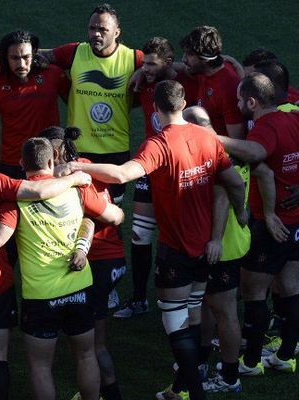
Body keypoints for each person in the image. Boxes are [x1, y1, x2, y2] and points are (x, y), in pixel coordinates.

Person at [66, 80, 246, 400]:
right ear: (183, 102)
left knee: (175, 325)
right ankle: (183, 389)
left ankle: (195, 392)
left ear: (156, 109)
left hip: (176, 250)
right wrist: (240, 216)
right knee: (191, 317)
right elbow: (233, 181)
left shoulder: (159, 143)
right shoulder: (206, 137)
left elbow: (121, 175)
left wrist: (79, 167)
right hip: (206, 249)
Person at [0, 137, 122, 400]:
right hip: (79, 287)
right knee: (86, 355)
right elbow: (104, 217)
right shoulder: (77, 188)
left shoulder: (17, 199)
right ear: (52, 162)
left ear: (20, 165)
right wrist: (83, 247)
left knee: (41, 366)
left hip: (41, 295)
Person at [217, 73, 299, 375]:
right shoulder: (292, 118)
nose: (237, 103)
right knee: (290, 286)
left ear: (252, 102)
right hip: (295, 221)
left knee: (253, 291)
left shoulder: (266, 127)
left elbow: (257, 157)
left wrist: (213, 137)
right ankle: (286, 356)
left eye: (240, 99)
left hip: (271, 223)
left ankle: (249, 362)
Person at [115, 36, 198, 319]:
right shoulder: (145, 82)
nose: (146, 68)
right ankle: (139, 299)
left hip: (181, 168)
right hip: (151, 166)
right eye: (144, 63)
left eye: (152, 64)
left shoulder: (188, 81)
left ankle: (191, 298)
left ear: (169, 63)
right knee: (139, 235)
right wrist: (142, 72)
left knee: (180, 234)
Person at [40, 126, 126, 400]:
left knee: (93, 346)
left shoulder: (75, 180)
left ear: (55, 152)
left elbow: (106, 215)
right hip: (111, 258)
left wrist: (116, 214)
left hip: (99, 260)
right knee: (89, 339)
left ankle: (107, 393)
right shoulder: (86, 165)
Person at [36, 3, 143, 205]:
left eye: (103, 29)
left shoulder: (132, 58)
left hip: (115, 150)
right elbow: (39, 55)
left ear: (117, 32)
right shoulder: (75, 52)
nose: (96, 34)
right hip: (77, 148)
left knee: (111, 207)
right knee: (76, 205)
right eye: (92, 28)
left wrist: (143, 71)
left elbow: (164, 65)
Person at [183, 107, 247, 393]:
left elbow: (221, 196)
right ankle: (202, 358)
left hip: (222, 248)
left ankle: (230, 377)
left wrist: (216, 240)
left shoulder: (212, 155)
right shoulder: (227, 149)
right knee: (208, 304)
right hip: (227, 243)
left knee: (224, 311)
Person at [0, 30, 69, 179]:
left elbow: (76, 104)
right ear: (5, 58)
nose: (21, 64)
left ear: (34, 54)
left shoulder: (54, 74)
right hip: (11, 163)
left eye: (26, 57)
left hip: (48, 162)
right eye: (14, 58)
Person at [179, 26, 245, 139]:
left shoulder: (228, 88)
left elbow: (236, 140)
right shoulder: (204, 71)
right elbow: (179, 68)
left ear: (205, 58)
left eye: (189, 55)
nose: (184, 59)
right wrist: (144, 70)